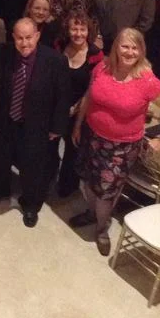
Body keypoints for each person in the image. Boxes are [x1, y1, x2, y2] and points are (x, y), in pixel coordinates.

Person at [72, 28, 160, 255]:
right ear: (116, 47)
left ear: (141, 50)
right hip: (92, 136)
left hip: (122, 146)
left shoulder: (148, 80)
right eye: (125, 46)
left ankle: (102, 228)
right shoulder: (102, 67)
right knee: (88, 181)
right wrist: (78, 124)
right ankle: (92, 214)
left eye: (135, 47)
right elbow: (89, 96)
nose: (129, 52)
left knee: (106, 192)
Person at [0, 18, 69, 227]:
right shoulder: (1, 54)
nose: (24, 43)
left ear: (37, 36)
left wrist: (57, 127)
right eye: (20, 38)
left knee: (33, 166)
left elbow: (62, 97)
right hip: (5, 120)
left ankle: (31, 204)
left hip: (36, 125)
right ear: (13, 37)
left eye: (29, 38)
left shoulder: (55, 60)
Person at [54, 13, 104, 198]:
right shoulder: (59, 46)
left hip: (80, 108)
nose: (78, 33)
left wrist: (73, 110)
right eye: (74, 28)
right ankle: (48, 177)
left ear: (88, 31)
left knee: (72, 149)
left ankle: (67, 186)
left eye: (82, 29)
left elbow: (91, 90)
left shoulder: (95, 54)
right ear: (68, 30)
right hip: (56, 105)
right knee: (50, 145)